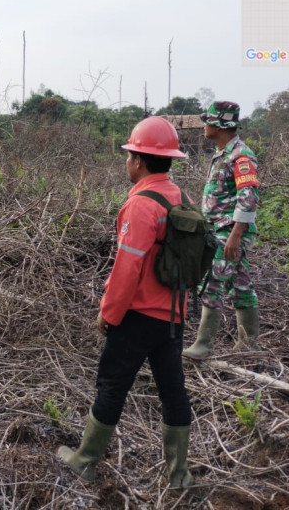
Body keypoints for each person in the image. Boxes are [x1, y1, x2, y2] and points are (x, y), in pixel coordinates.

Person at [58, 117, 193, 488]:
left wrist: (108, 313)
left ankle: (85, 460)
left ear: (139, 160)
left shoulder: (141, 205)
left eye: (130, 155)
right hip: (173, 316)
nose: (127, 162)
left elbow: (126, 269)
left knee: (112, 384)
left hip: (138, 316)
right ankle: (179, 475)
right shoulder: (180, 196)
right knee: (173, 389)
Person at [182, 101, 260, 360]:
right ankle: (248, 346)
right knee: (241, 285)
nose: (204, 125)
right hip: (219, 229)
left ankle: (203, 345)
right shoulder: (222, 152)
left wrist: (236, 236)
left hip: (231, 230)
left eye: (208, 121)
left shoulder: (241, 155)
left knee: (214, 280)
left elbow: (248, 197)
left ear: (219, 125)